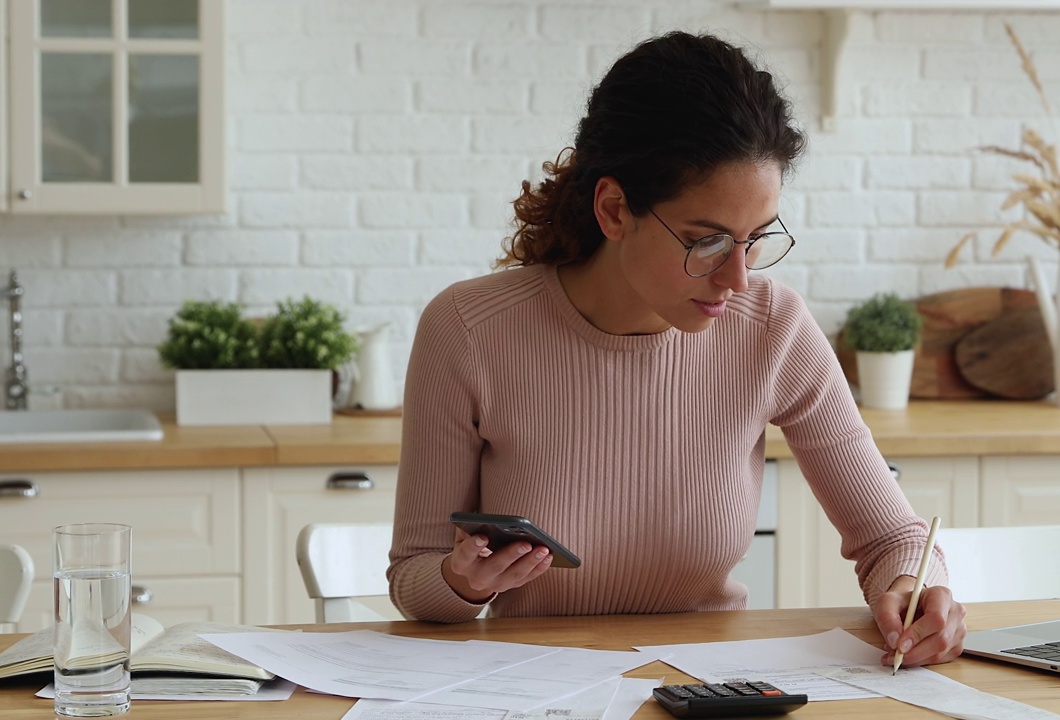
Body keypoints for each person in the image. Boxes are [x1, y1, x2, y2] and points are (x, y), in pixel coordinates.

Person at [388, 31, 966, 669]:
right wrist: (463, 582)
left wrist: (913, 586)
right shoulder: (469, 330)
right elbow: (414, 579)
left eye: (755, 239)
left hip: (710, 688)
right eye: (707, 241)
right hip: (530, 687)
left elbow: (893, 538)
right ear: (613, 209)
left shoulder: (772, 326)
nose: (738, 278)